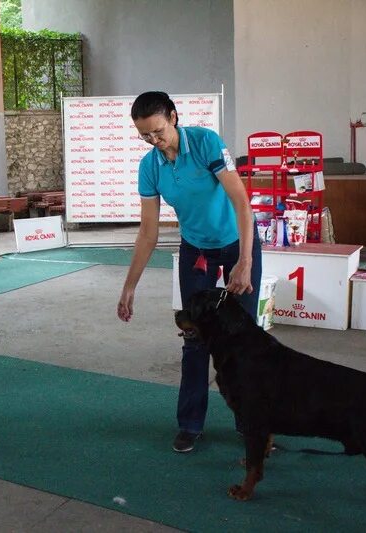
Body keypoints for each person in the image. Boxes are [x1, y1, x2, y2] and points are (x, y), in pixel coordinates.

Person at [116, 91, 262, 453]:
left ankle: (251, 423)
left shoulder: (205, 143)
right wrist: (129, 286)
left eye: (158, 131)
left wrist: (245, 262)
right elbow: (148, 231)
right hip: (197, 251)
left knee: (243, 341)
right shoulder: (150, 167)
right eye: (145, 135)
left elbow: (242, 202)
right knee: (195, 337)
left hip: (236, 243)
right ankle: (191, 424)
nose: (154, 140)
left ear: (174, 117)